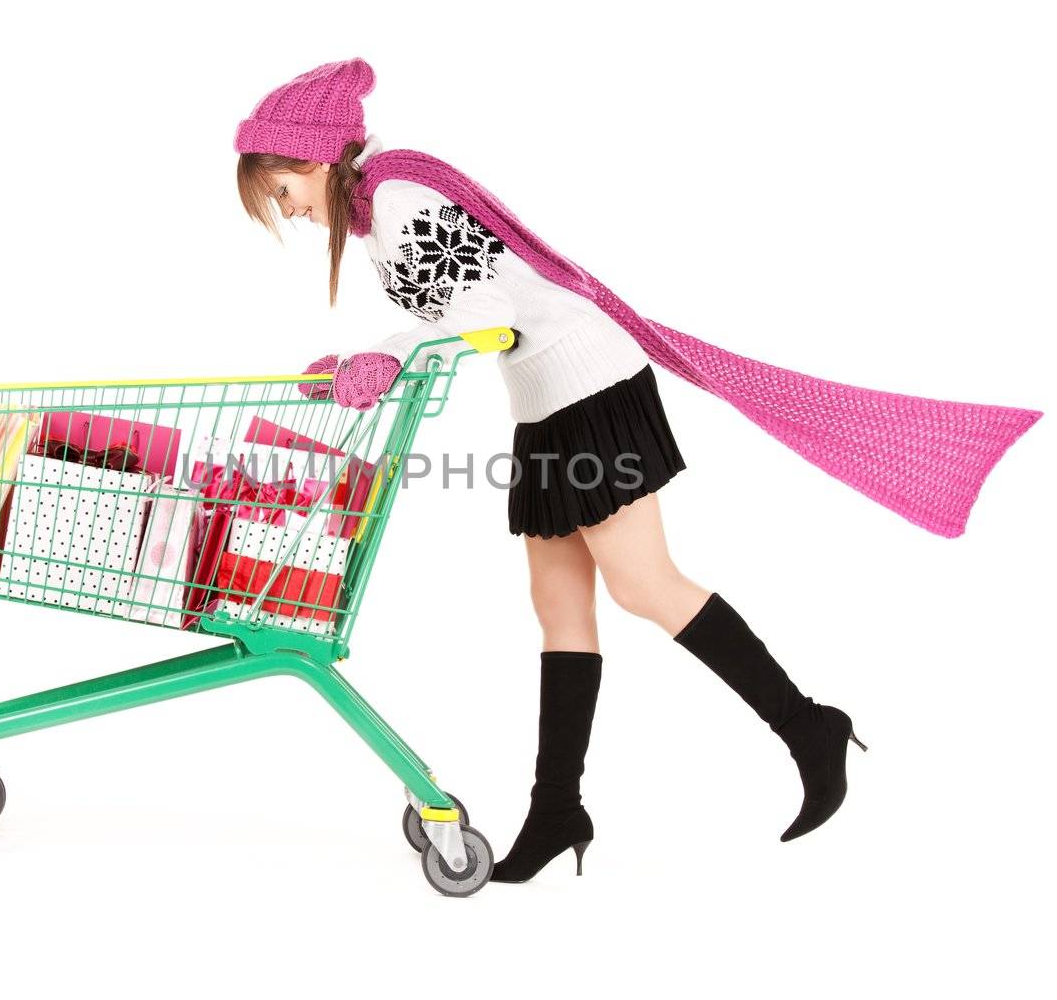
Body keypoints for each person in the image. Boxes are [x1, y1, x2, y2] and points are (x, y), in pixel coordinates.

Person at [230, 59, 942, 884]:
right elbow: (479, 308)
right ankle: (556, 806)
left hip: (586, 386)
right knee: (558, 602)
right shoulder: (381, 201)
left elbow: (487, 316)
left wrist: (382, 360)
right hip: (544, 400)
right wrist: (372, 362)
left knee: (646, 585)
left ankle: (808, 726)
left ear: (314, 158)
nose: (288, 211)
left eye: (282, 192)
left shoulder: (395, 199)